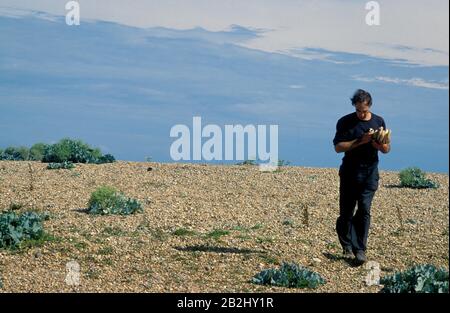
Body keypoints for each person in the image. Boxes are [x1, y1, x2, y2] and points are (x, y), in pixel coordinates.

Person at [333, 89, 391, 265]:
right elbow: (338, 147)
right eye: (358, 110)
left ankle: (360, 249)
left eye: (364, 110)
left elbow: (387, 149)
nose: (361, 113)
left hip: (370, 172)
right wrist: (360, 141)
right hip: (350, 171)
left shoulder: (378, 121)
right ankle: (347, 244)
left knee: (364, 209)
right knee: (346, 212)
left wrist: (378, 144)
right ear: (354, 107)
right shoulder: (345, 122)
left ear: (370, 106)